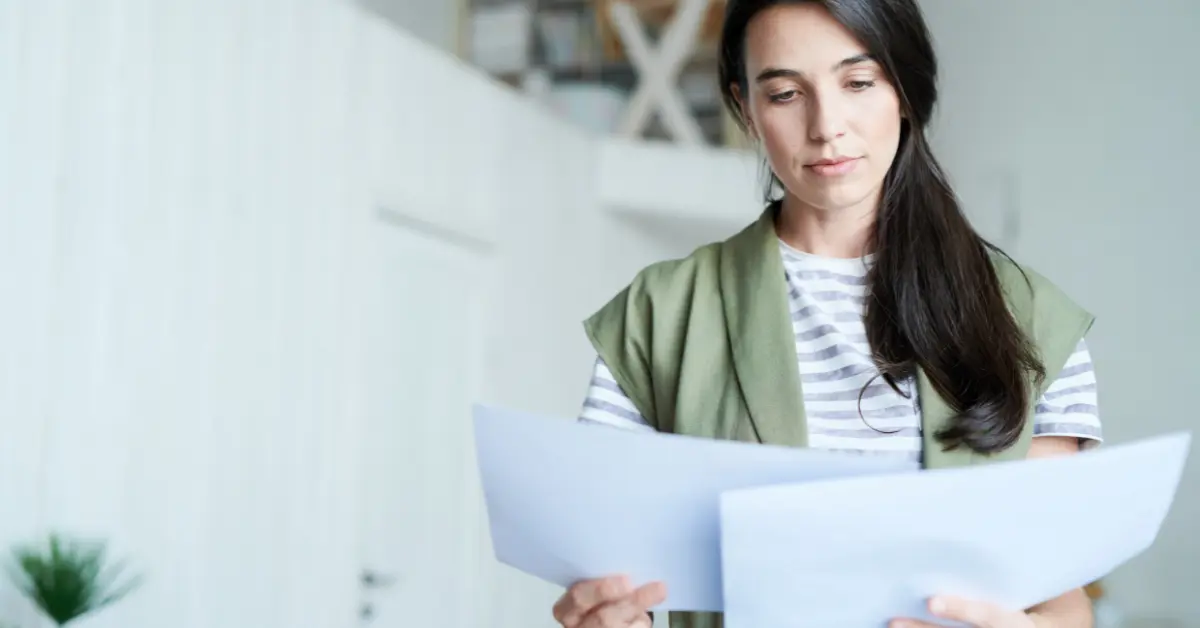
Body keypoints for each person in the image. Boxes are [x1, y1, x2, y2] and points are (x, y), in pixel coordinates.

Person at [552, 0, 1101, 627]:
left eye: (859, 83)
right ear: (747, 109)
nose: (826, 126)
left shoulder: (1030, 318)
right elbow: (611, 578)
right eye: (786, 94)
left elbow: (1061, 604)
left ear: (905, 89)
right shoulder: (661, 314)